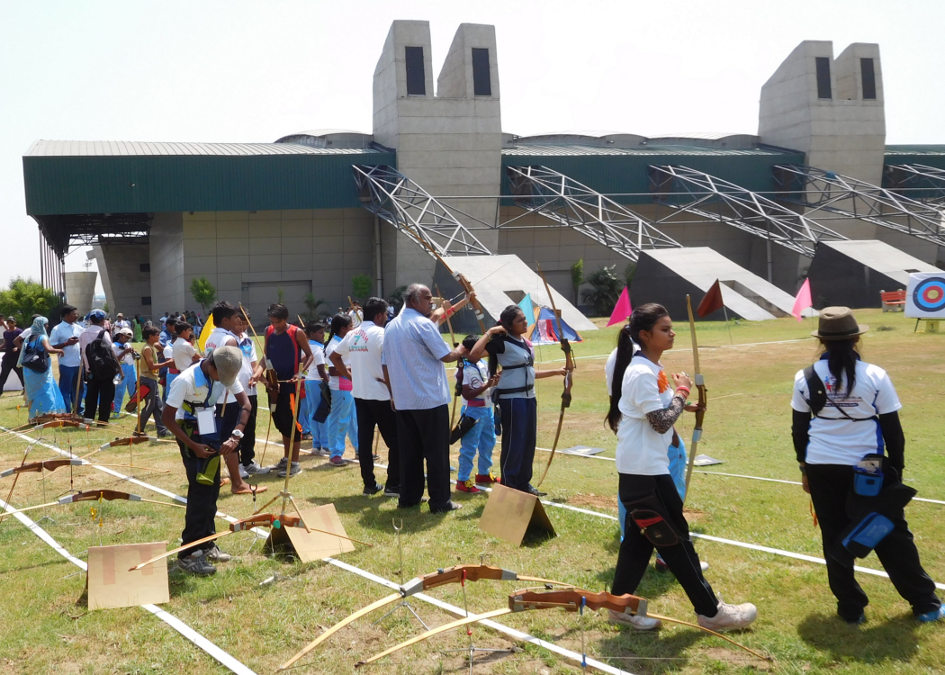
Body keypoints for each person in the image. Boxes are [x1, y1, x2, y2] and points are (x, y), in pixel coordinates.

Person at [605, 303, 756, 631]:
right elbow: (660, 421)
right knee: (677, 541)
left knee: (638, 541)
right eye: (664, 329)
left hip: (645, 469)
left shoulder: (651, 369)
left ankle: (618, 605)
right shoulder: (641, 371)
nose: (672, 333)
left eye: (671, 327)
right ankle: (711, 612)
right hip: (644, 472)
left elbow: (659, 409)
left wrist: (682, 402)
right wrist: (682, 392)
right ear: (645, 335)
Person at [792, 306, 943, 624]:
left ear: (822, 341)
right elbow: (893, 430)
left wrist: (805, 469)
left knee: (834, 535)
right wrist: (896, 471)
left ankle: (850, 608)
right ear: (856, 339)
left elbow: (799, 430)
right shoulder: (875, 375)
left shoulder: (804, 378)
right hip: (870, 467)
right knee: (889, 531)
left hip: (822, 466)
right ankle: (925, 604)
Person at [163, 346, 251, 575]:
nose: (224, 382)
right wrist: (192, 445)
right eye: (220, 377)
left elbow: (246, 405)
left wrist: (236, 435)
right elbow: (167, 419)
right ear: (211, 365)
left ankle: (206, 542)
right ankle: (188, 552)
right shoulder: (185, 380)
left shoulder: (224, 370)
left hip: (208, 426)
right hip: (188, 431)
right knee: (200, 490)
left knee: (211, 489)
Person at [383, 284, 466, 513]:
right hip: (428, 399)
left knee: (410, 452)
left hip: (404, 399)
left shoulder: (391, 327)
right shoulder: (422, 324)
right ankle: (440, 501)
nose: (432, 302)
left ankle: (408, 497)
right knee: (436, 452)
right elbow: (447, 355)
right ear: (414, 300)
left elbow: (385, 365)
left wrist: (393, 394)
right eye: (428, 298)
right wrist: (462, 349)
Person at [467, 305, 566, 496]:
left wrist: (556, 371)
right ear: (509, 325)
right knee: (514, 442)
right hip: (512, 400)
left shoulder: (525, 343)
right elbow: (473, 355)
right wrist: (490, 332)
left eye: (524, 318)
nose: (525, 322)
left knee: (528, 441)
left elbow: (528, 372)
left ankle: (523, 482)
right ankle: (509, 484)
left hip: (529, 398)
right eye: (520, 320)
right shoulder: (502, 343)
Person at [330, 297, 400, 496]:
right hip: (381, 395)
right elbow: (390, 364)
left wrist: (350, 376)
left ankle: (369, 484)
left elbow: (335, 356)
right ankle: (393, 484)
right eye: (385, 314)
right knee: (395, 441)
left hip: (361, 395)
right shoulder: (381, 334)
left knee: (365, 441)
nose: (386, 318)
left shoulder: (353, 334)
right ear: (379, 315)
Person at [262, 303, 313, 478]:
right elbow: (266, 356)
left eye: (277, 322)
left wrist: (300, 373)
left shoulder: (296, 332)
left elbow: (310, 355)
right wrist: (260, 374)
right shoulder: (268, 332)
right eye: (272, 321)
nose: (274, 325)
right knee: (279, 421)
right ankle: (286, 457)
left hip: (291, 387)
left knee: (292, 424)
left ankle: (295, 463)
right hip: (273, 386)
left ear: (285, 319)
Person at [454, 334, 500, 493]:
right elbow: (467, 394)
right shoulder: (464, 369)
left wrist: (495, 381)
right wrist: (488, 384)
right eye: (479, 348)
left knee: (489, 442)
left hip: (487, 409)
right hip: (473, 411)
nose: (482, 351)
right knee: (469, 446)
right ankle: (463, 479)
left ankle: (484, 473)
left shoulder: (482, 363)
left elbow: (489, 382)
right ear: (468, 351)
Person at [233, 311, 266, 478]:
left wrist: (262, 379)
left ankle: (248, 461)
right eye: (239, 323)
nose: (242, 327)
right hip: (235, 391)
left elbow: (254, 365)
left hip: (250, 389)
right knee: (237, 426)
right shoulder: (229, 340)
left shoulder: (248, 341)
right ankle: (236, 463)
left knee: (250, 427)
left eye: (245, 323)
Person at [324, 313, 359, 466]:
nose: (352, 328)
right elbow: (332, 370)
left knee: (353, 419)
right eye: (350, 326)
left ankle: (360, 448)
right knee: (339, 419)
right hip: (340, 387)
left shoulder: (345, 341)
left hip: (351, 386)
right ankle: (336, 453)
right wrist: (352, 370)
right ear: (343, 328)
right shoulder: (334, 345)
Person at [16, 316, 66, 418]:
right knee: (46, 390)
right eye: (46, 324)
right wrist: (59, 350)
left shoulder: (28, 337)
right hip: (41, 369)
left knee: (33, 392)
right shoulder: (42, 337)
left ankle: (35, 415)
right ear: (42, 326)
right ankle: (47, 414)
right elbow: (48, 349)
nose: (47, 326)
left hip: (29, 369)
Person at [80, 309, 117, 423]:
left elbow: (83, 353)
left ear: (90, 320)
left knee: (91, 395)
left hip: (91, 369)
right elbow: (111, 351)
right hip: (106, 369)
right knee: (106, 395)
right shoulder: (104, 333)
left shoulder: (83, 334)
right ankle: (103, 419)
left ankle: (88, 418)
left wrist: (87, 368)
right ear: (102, 320)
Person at [48, 304, 84, 414]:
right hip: (66, 364)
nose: (76, 316)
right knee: (65, 389)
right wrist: (66, 343)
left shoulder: (78, 328)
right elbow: (51, 347)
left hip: (79, 363)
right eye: (74, 314)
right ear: (66, 315)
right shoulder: (57, 329)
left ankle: (78, 409)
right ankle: (66, 411)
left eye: (77, 314)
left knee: (78, 389)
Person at [137, 327, 170, 437]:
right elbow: (151, 366)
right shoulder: (147, 349)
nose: (159, 337)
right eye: (157, 335)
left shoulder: (151, 347)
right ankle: (138, 430)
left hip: (152, 380)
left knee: (158, 406)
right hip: (148, 380)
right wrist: (166, 363)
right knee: (150, 406)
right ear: (151, 336)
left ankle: (162, 430)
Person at [302, 322, 329, 454]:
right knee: (322, 412)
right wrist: (329, 382)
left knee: (313, 412)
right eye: (319, 332)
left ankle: (316, 444)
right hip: (318, 382)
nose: (323, 335)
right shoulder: (317, 349)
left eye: (323, 332)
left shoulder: (308, 346)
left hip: (310, 381)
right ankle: (325, 444)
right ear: (311, 334)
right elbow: (322, 371)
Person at [111, 327, 137, 417]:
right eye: (126, 337)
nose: (127, 340)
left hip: (131, 367)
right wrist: (124, 352)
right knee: (119, 391)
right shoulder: (114, 346)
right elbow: (115, 360)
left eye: (128, 338)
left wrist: (133, 353)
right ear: (121, 336)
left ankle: (133, 408)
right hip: (120, 368)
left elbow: (133, 358)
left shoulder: (127, 345)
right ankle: (116, 411)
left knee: (133, 389)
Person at [0, 317, 24, 394]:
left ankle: (26, 389)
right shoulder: (6, 333)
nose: (10, 324)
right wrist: (1, 346)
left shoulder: (19, 331)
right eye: (9, 322)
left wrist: (17, 347)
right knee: (3, 375)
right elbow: (5, 342)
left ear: (15, 323)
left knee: (21, 374)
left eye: (12, 322)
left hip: (17, 357)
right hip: (7, 357)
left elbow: (23, 342)